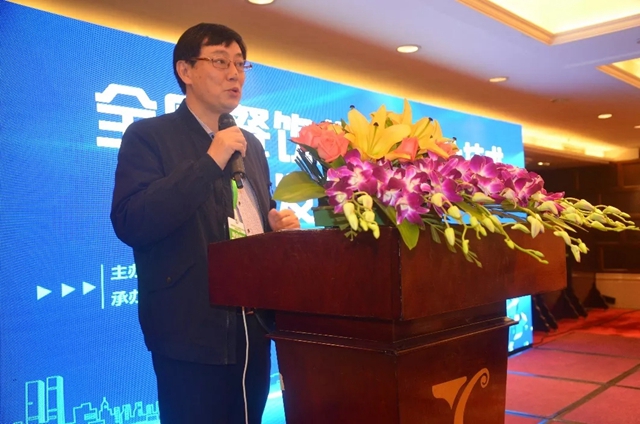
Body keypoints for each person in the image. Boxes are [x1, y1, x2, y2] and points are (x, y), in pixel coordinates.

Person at [110, 23, 300, 424]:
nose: (235, 74)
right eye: (220, 61)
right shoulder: (149, 136)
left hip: (254, 326)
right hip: (190, 332)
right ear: (185, 70)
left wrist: (276, 230)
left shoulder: (250, 144)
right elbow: (132, 221)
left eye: (241, 64)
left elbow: (246, 220)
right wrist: (210, 161)